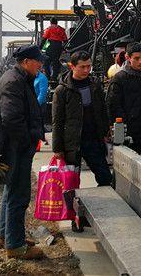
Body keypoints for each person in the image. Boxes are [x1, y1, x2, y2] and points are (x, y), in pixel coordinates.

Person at [0, 44, 47, 260]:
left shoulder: (19, 78)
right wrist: (27, 142)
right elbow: (12, 119)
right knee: (18, 195)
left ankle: (6, 235)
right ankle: (16, 246)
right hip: (13, 148)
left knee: (10, 192)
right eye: (38, 61)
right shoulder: (14, 82)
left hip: (12, 146)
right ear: (25, 62)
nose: (41, 64)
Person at [51, 51, 112, 186]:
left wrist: (105, 131)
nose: (86, 70)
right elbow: (57, 121)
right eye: (82, 67)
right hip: (72, 143)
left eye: (88, 66)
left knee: (105, 177)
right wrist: (57, 148)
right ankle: (71, 206)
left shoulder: (94, 85)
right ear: (72, 67)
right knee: (71, 181)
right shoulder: (62, 90)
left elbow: (102, 110)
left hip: (93, 139)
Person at [106, 42, 141, 153]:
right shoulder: (119, 79)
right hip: (130, 131)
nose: (140, 61)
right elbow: (113, 106)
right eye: (136, 58)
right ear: (128, 57)